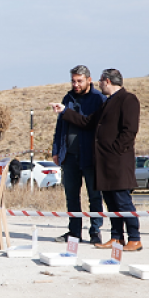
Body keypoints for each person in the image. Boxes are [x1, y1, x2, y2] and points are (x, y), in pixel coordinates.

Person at [50, 69, 143, 251]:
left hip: (117, 162)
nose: (99, 84)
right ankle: (116, 237)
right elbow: (87, 122)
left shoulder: (128, 99)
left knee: (123, 202)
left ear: (107, 81)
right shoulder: (108, 102)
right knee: (111, 203)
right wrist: (65, 111)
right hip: (105, 163)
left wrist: (113, 151)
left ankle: (134, 238)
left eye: (100, 81)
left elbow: (129, 131)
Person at [51, 65, 106, 244]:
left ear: (89, 80)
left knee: (94, 196)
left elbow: (90, 124)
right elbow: (60, 127)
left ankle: (95, 231)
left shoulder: (98, 99)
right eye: (73, 81)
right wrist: (56, 150)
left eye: (79, 81)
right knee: (72, 196)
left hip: (90, 157)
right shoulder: (68, 98)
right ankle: (74, 232)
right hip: (69, 157)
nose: (75, 84)